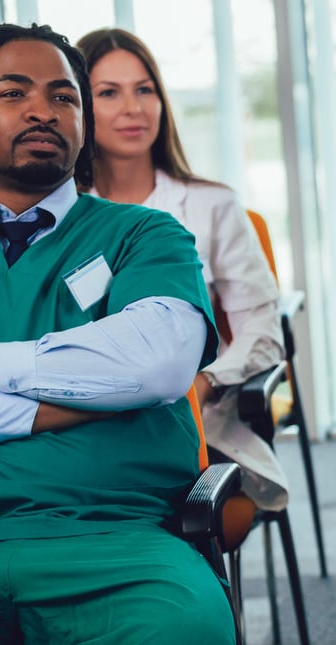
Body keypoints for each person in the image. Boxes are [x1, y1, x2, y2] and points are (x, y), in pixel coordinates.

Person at [0, 23, 244, 645]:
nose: (44, 110)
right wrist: (58, 406)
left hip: (117, 542)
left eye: (64, 97)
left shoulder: (146, 235)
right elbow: (124, 369)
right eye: (15, 93)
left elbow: (157, 360)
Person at [77, 27, 288, 512]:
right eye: (109, 92)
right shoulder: (64, 219)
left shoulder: (212, 205)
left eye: (144, 89)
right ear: (79, 109)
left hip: (195, 420)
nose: (133, 107)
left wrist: (206, 382)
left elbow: (263, 328)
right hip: (87, 423)